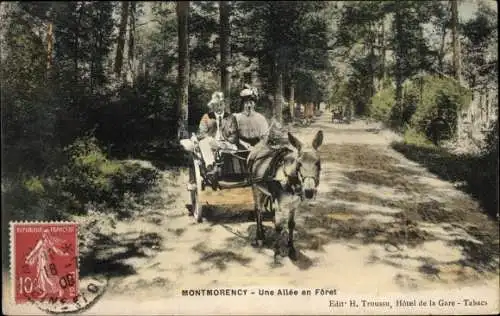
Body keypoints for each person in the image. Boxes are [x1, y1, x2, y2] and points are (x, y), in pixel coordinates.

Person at [198, 91, 239, 177]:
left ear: (224, 105)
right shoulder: (206, 117)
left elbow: (234, 135)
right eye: (216, 105)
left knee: (235, 148)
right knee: (203, 142)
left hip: (227, 145)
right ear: (212, 106)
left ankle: (236, 175)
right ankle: (211, 167)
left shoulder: (231, 117)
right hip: (212, 144)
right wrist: (212, 140)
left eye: (221, 104)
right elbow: (201, 133)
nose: (219, 107)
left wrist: (225, 143)